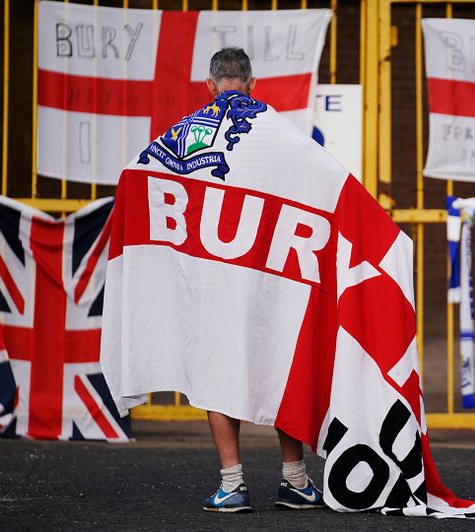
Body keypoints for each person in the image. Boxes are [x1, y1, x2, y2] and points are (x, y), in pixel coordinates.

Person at [197, 47, 324, 514]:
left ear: (211, 86)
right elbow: (321, 180)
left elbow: (141, 173)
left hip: (217, 270)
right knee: (279, 367)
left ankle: (232, 485)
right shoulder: (279, 130)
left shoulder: (187, 134)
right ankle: (295, 481)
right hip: (273, 269)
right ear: (252, 84)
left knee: (218, 370)